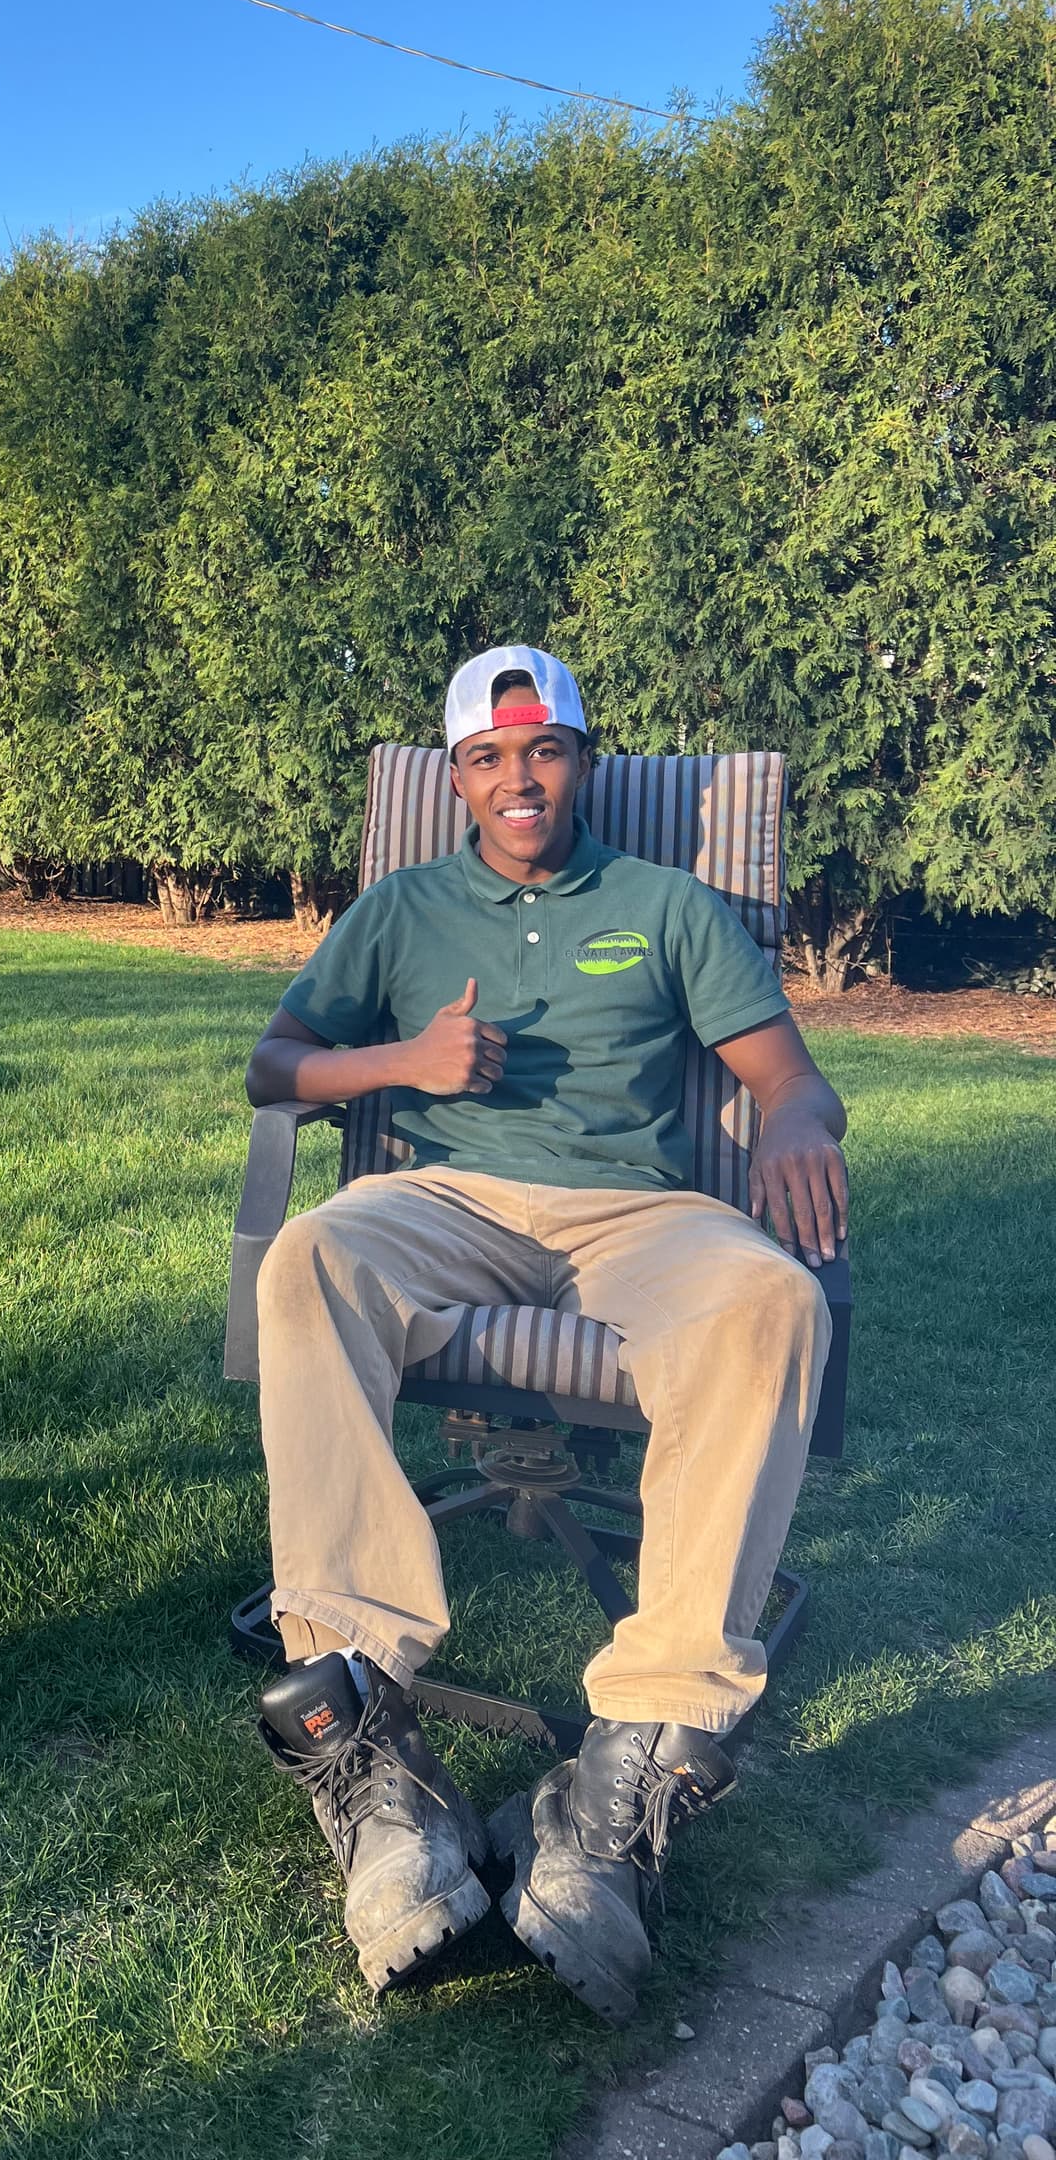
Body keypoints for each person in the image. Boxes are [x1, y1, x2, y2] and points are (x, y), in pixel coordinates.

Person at [246, 644, 844, 2019]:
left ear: (583, 757)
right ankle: (370, 1731)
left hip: (636, 1212)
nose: (519, 781)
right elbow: (276, 1064)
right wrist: (402, 1064)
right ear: (457, 775)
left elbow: (786, 1078)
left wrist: (805, 1125)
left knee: (772, 1301)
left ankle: (623, 1776)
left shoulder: (667, 905)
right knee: (311, 1260)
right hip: (441, 1197)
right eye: (487, 758)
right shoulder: (400, 910)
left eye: (546, 751)